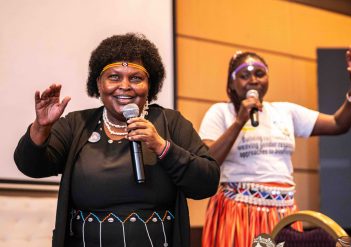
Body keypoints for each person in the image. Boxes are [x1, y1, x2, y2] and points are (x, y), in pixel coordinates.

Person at [14, 33, 220, 247]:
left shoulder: (170, 122)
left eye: (136, 78)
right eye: (114, 77)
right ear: (98, 84)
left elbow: (206, 183)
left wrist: (162, 147)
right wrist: (41, 127)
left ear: (150, 85)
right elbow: (31, 166)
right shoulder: (77, 124)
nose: (125, 85)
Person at [200, 47, 351, 247]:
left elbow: (339, 124)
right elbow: (206, 162)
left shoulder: (285, 111)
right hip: (238, 214)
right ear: (232, 84)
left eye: (259, 74)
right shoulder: (220, 112)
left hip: (282, 214)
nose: (253, 80)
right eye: (245, 75)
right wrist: (239, 121)